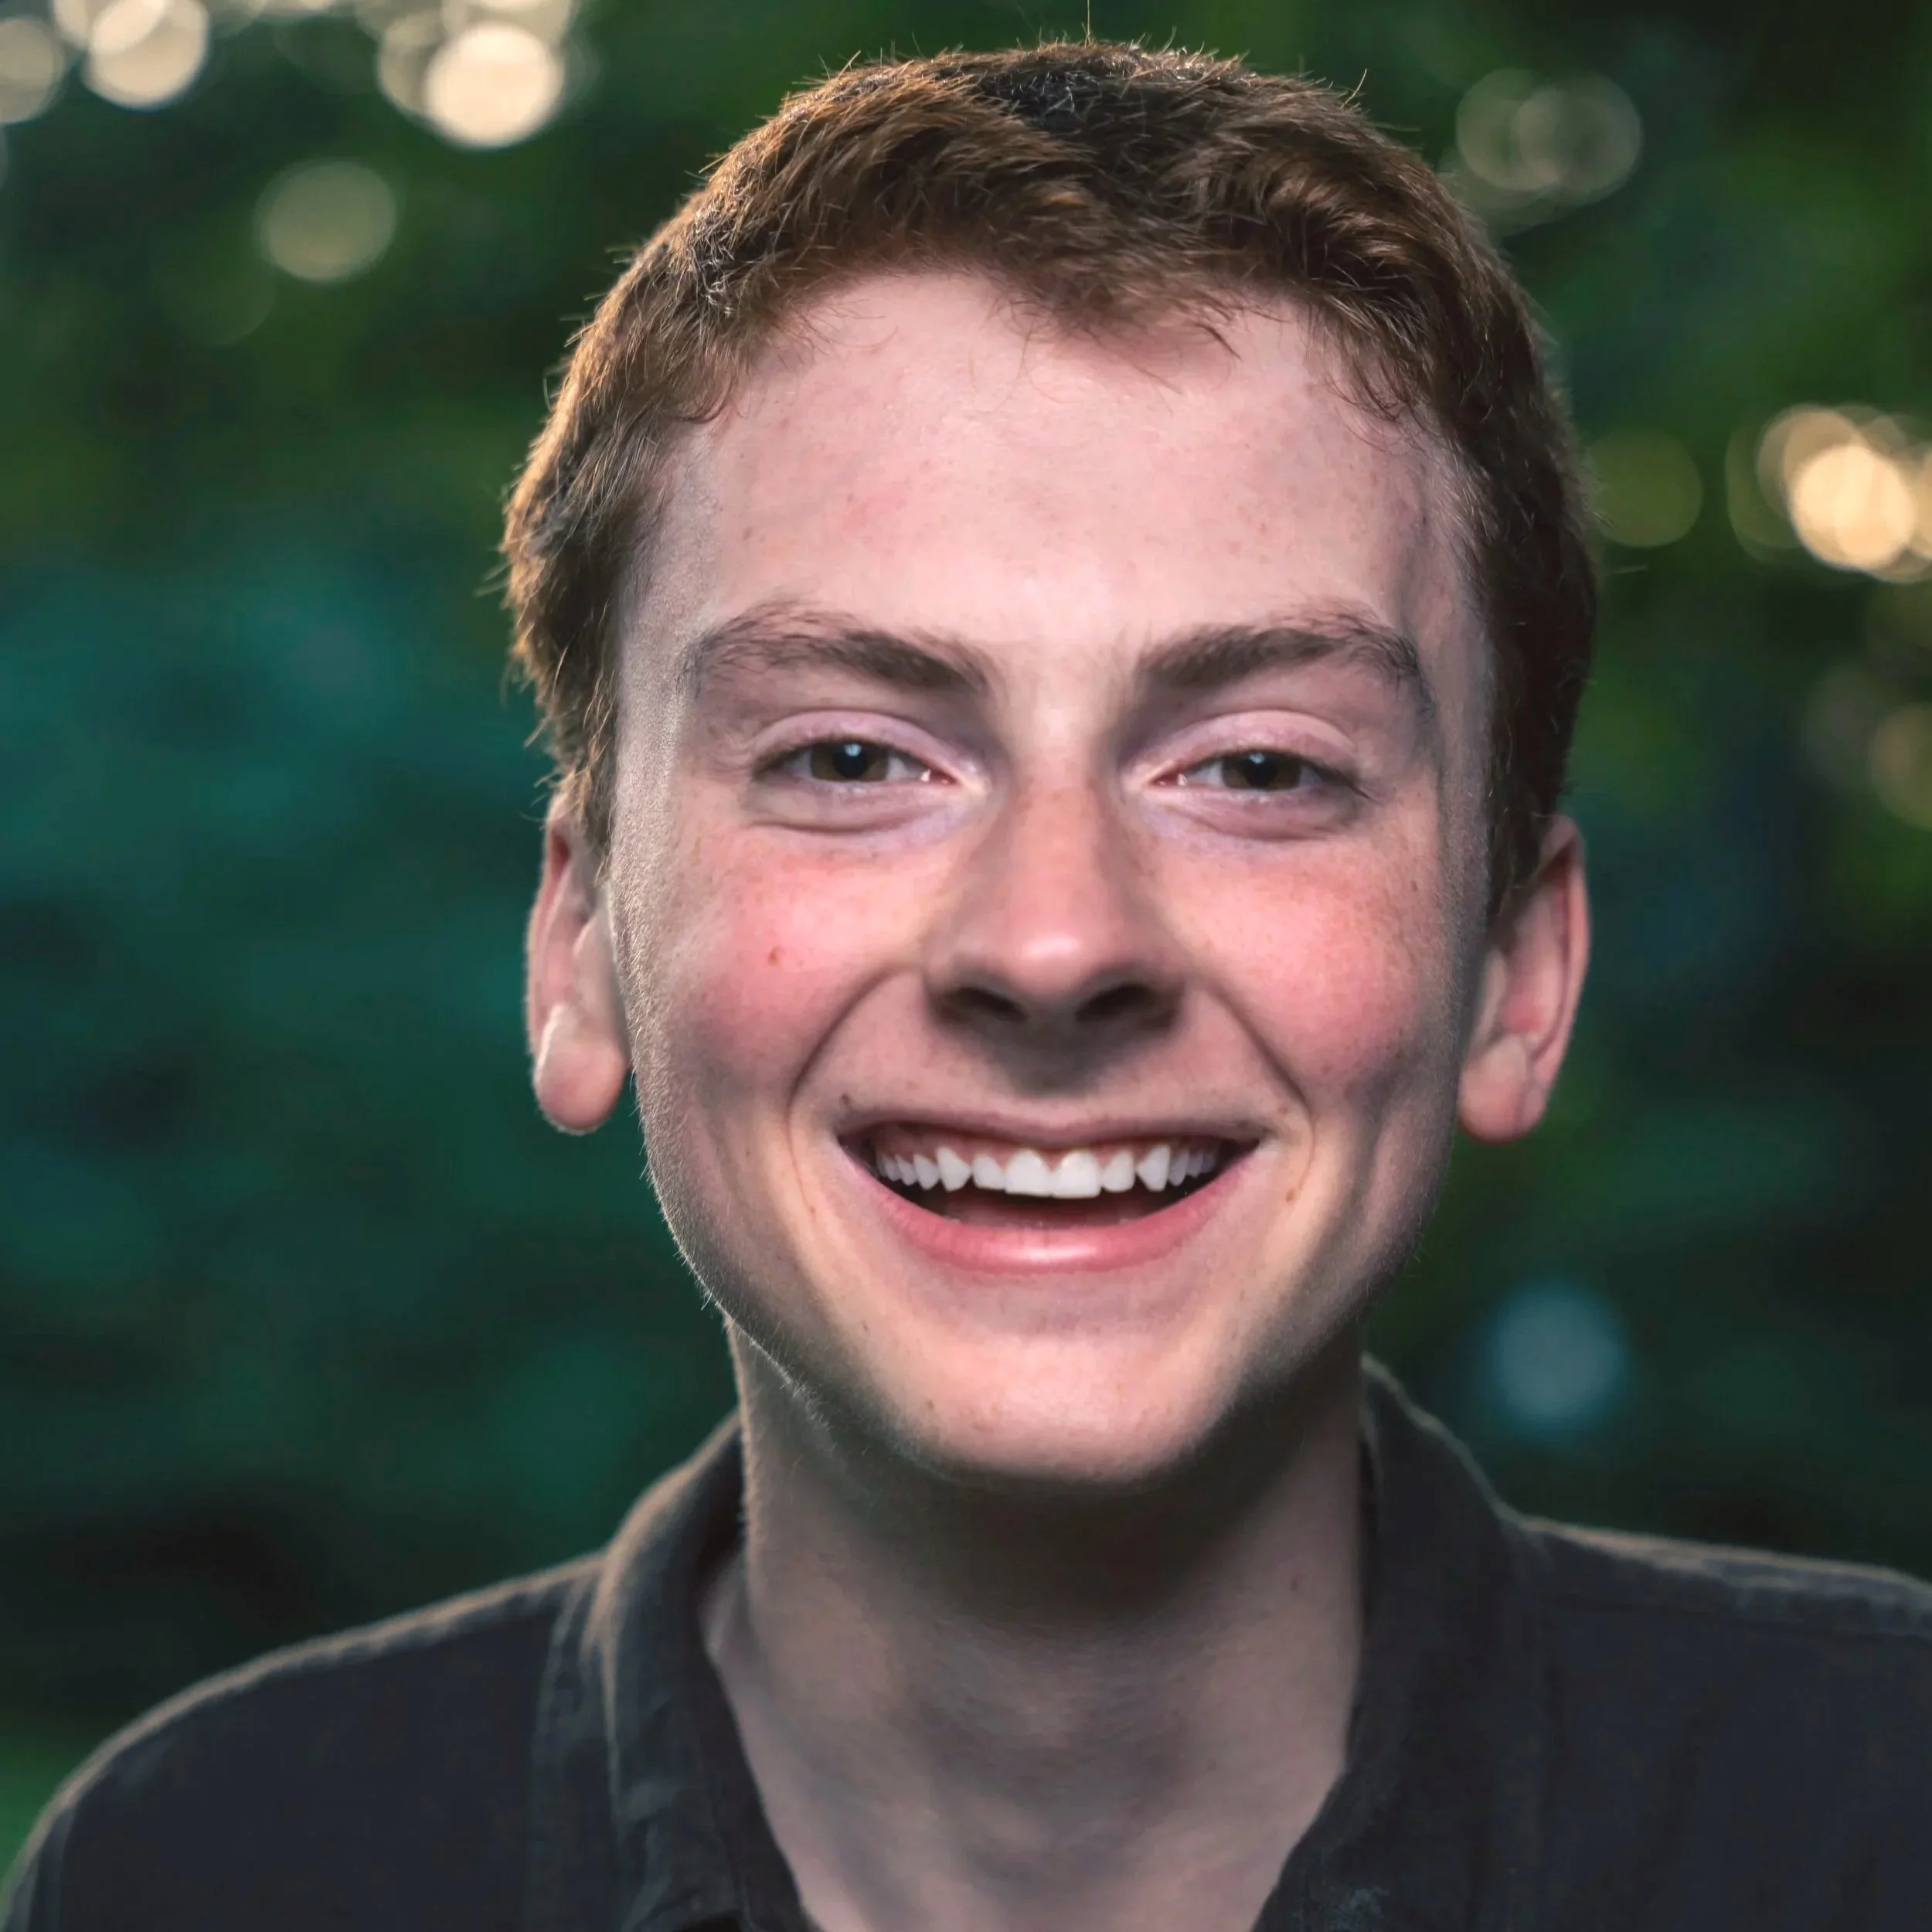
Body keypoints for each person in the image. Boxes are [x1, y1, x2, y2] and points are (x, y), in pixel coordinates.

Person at [9, 39, 1930, 1932]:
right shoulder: (205, 1873)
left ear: (1516, 969)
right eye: (852, 758)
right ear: (578, 941)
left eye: (1256, 765)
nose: (1050, 941)